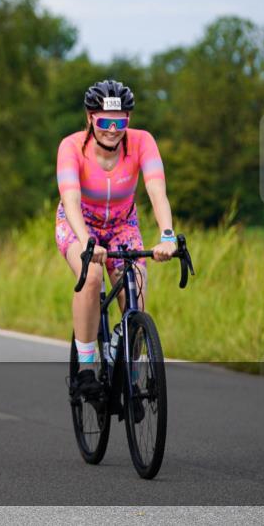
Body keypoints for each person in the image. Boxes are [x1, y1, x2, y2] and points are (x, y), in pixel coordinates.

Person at [56, 80, 177, 397]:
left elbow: (156, 191)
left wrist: (167, 235)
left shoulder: (142, 142)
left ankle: (127, 367)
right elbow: (70, 200)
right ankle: (85, 368)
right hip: (79, 224)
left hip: (123, 224)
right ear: (90, 119)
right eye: (104, 122)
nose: (112, 130)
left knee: (136, 283)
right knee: (92, 277)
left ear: (129, 120)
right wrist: (86, 242)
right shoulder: (71, 148)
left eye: (120, 121)